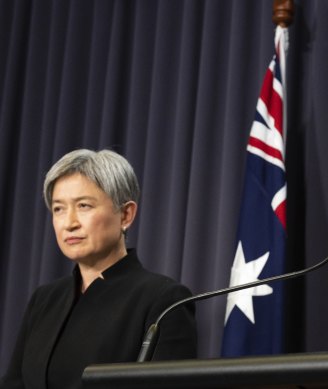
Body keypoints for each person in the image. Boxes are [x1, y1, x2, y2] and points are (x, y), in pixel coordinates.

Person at [1, 149, 198, 389]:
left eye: (83, 206)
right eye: (58, 209)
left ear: (125, 215)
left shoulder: (164, 300)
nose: (69, 223)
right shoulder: (44, 299)